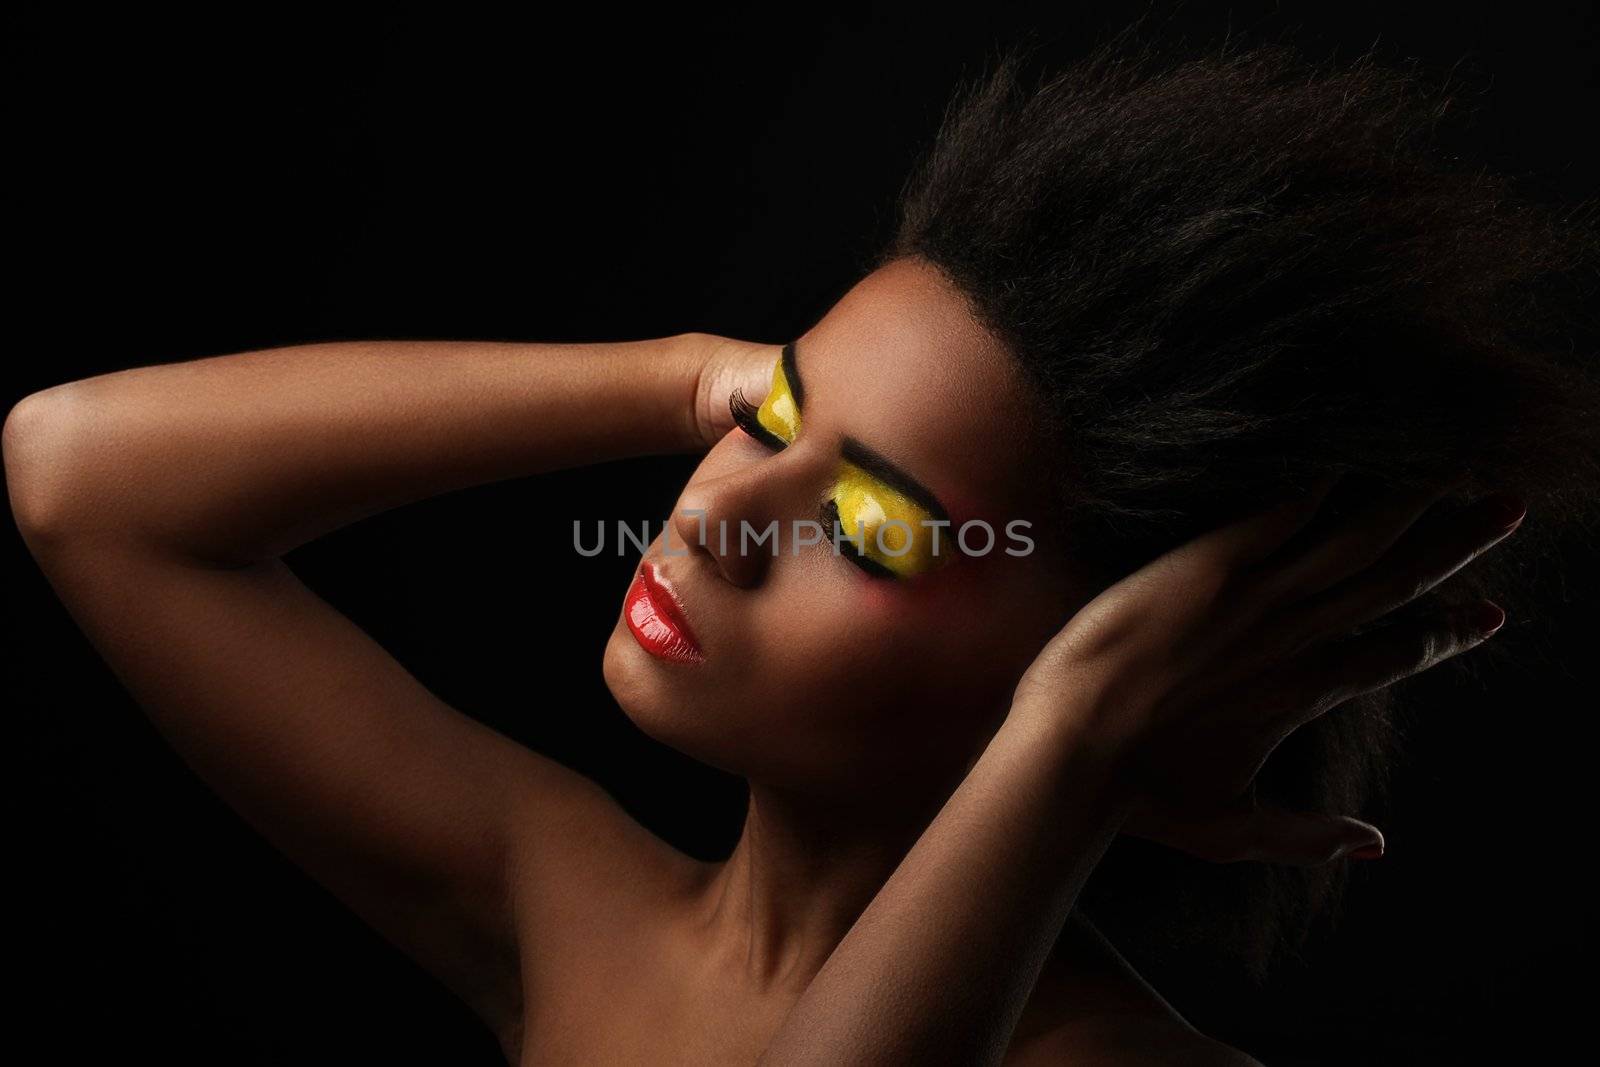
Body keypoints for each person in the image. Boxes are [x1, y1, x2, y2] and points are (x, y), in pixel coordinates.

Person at [6, 36, 1597, 1065]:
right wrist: (684, 374)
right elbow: (85, 475)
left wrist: (1082, 740)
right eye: (767, 426)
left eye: (862, 529)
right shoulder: (570, 912)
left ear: (1125, 658)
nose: (707, 510)